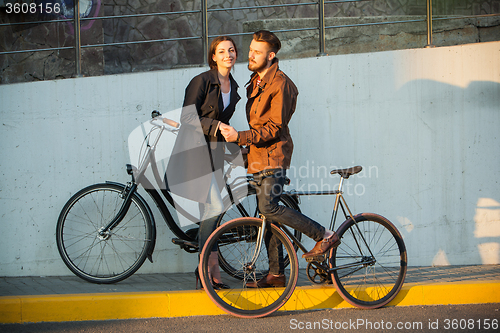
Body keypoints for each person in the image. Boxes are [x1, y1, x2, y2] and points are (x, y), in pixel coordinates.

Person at [220, 30, 340, 288]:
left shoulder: (281, 84)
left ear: (271, 56)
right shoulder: (256, 81)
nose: (250, 55)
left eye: (257, 52)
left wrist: (240, 136)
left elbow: (274, 127)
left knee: (268, 208)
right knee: (267, 216)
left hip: (274, 157)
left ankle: (325, 235)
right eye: (250, 50)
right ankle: (277, 274)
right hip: (258, 157)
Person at [168, 36, 241, 289]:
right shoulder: (201, 81)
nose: (227, 55)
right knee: (214, 209)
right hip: (192, 154)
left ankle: (210, 272)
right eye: (222, 51)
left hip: (214, 156)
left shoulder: (234, 86)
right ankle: (204, 269)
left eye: (231, 50)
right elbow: (186, 116)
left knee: (212, 215)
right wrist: (217, 125)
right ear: (213, 56)